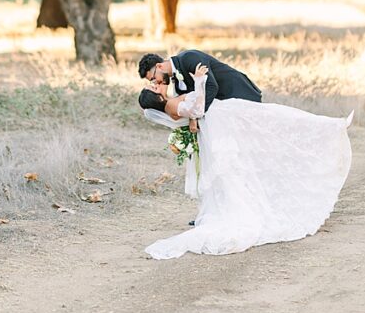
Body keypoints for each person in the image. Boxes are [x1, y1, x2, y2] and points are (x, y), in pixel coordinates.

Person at [138, 64, 353, 259]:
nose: (156, 85)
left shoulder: (172, 104)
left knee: (274, 120)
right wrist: (201, 81)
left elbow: (193, 112)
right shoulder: (173, 106)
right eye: (154, 88)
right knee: (276, 121)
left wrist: (193, 117)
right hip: (223, 120)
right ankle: (329, 128)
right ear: (157, 98)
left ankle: (330, 126)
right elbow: (196, 108)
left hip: (223, 118)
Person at [138, 49, 262, 113]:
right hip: (226, 107)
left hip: (240, 93)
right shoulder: (176, 81)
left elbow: (211, 86)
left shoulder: (189, 57)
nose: (156, 83)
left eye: (154, 78)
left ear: (159, 66)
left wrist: (197, 117)